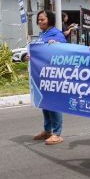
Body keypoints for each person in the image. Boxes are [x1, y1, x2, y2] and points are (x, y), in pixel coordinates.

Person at [30, 10, 68, 146]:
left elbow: (63, 49)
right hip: (43, 75)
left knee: (54, 103)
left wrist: (56, 45)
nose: (40, 22)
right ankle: (47, 130)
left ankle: (57, 134)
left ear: (50, 20)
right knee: (45, 104)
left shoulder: (57, 34)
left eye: (42, 20)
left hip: (54, 75)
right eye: (38, 20)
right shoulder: (43, 34)